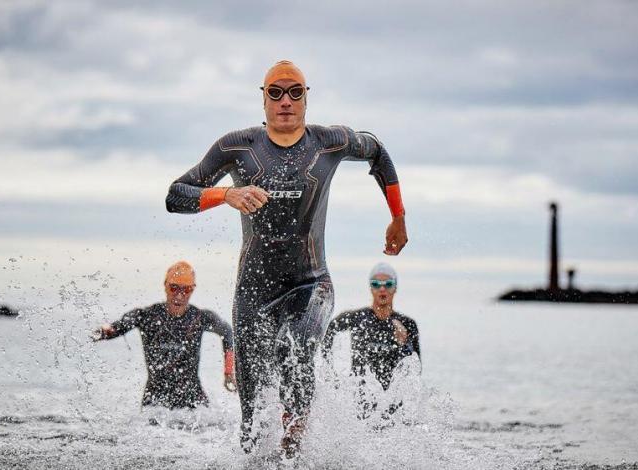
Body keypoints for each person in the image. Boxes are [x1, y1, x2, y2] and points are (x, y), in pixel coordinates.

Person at [165, 60, 409, 456]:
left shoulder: (329, 143)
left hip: (311, 282)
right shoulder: (237, 147)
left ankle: (295, 449)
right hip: (253, 291)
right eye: (275, 92)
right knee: (251, 418)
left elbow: (377, 151)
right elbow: (176, 195)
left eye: (295, 91)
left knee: (295, 346)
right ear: (263, 99)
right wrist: (225, 195)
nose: (285, 100)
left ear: (306, 98)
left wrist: (398, 216)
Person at [92, 261, 236, 409]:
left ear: (193, 290)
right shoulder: (146, 316)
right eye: (174, 288)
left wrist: (229, 372)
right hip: (155, 401)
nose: (179, 296)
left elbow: (228, 332)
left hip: (192, 399)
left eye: (186, 290)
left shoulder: (199, 318)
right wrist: (102, 333)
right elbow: (118, 327)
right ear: (165, 285)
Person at [321, 262, 420, 418]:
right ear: (371, 288)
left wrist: (404, 344)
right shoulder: (356, 318)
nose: (382, 289)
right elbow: (326, 331)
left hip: (392, 404)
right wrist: (329, 373)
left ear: (395, 288)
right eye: (376, 284)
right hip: (361, 402)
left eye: (388, 284)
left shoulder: (407, 325)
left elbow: (415, 369)